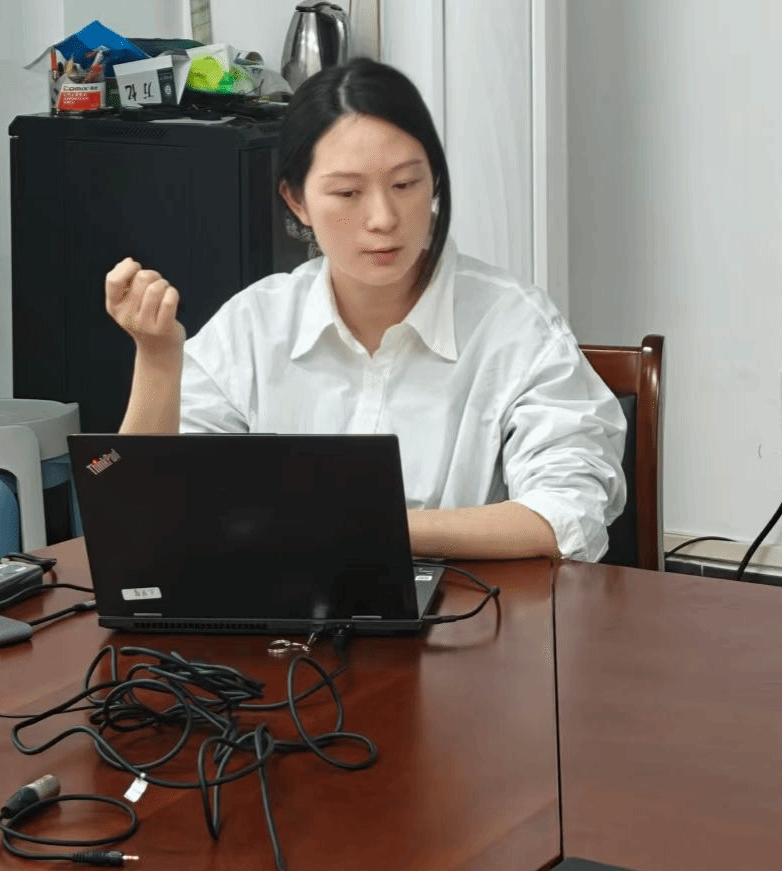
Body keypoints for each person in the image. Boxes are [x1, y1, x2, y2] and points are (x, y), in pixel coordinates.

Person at [104, 58, 626, 562]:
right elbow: (143, 513)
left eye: (405, 185)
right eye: (348, 192)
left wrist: (361, 525)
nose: (382, 218)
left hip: (467, 610)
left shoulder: (514, 323)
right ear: (297, 201)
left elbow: (567, 514)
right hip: (284, 610)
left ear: (434, 181)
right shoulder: (256, 325)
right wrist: (158, 357)